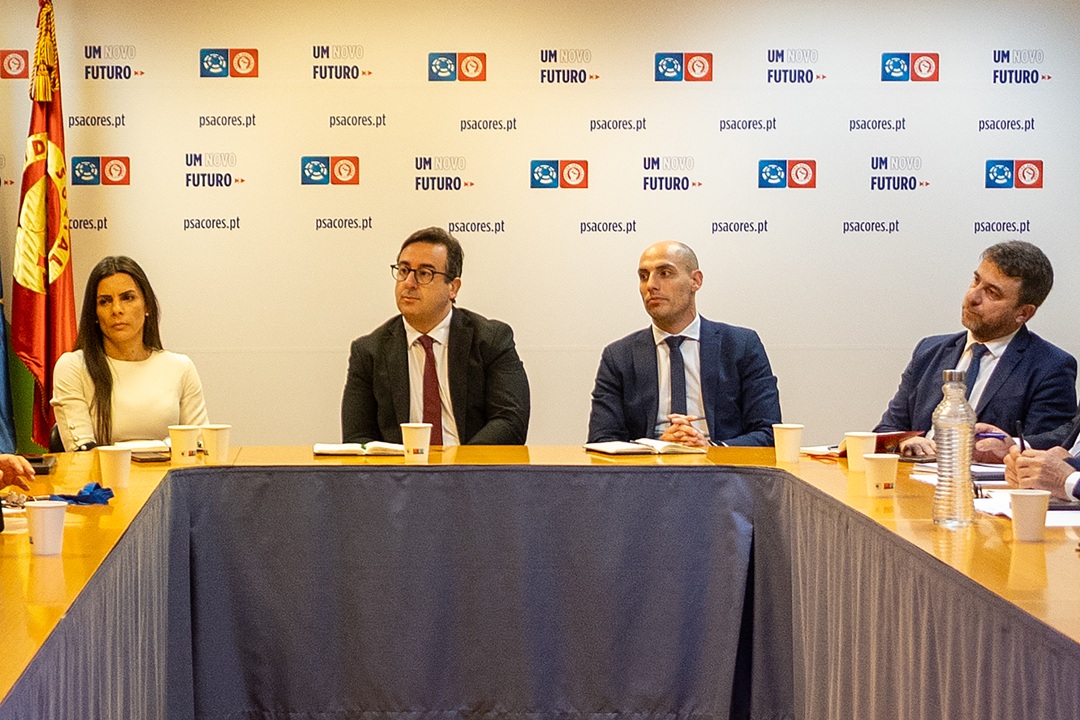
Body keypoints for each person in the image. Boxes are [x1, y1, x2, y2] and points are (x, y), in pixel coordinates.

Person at [875, 241, 1076, 457]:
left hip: (983, 477)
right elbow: (886, 430)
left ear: (1023, 313)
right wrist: (906, 441)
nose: (972, 297)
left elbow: (1052, 447)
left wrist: (1012, 446)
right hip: (915, 473)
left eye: (992, 293)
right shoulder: (929, 351)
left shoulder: (1050, 366)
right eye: (976, 281)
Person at [341, 227, 530, 445]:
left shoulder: (491, 340)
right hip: (400, 466)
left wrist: (459, 463)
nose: (409, 283)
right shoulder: (369, 352)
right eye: (403, 270)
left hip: (471, 463)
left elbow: (510, 422)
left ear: (453, 288)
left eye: (424, 273)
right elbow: (357, 438)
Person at [587, 241, 781, 447]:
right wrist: (658, 446)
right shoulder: (619, 356)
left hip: (721, 464)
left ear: (695, 281)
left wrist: (711, 449)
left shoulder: (741, 345)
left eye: (665, 273)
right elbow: (601, 440)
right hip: (649, 465)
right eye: (644, 276)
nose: (651, 285)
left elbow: (768, 432)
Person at [50, 256, 208, 450]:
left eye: (127, 298)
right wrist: (166, 446)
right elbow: (81, 453)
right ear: (95, 314)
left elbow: (200, 445)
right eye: (105, 301)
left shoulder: (180, 367)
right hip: (98, 471)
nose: (116, 309)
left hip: (172, 471)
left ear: (147, 305)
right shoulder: (73, 367)